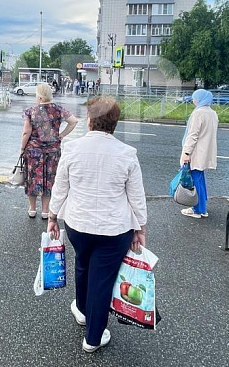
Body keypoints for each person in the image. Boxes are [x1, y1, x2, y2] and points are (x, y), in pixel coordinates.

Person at [47, 96, 147, 353]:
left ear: (90, 120)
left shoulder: (72, 148)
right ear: (115, 123)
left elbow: (60, 187)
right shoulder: (127, 154)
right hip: (114, 230)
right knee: (102, 278)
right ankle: (93, 337)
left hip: (78, 225)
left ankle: (82, 310)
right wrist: (140, 228)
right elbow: (136, 196)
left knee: (83, 263)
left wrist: (52, 216)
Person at [20, 83, 78, 219]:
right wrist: (62, 135)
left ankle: (32, 209)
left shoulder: (31, 111)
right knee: (49, 180)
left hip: (33, 151)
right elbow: (74, 121)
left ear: (39, 96)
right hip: (52, 151)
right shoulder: (58, 109)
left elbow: (26, 132)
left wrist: (22, 148)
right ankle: (45, 211)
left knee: (32, 179)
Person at [179, 88, 219, 218]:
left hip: (196, 152)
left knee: (195, 180)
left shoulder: (198, 113)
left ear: (200, 99)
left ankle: (197, 210)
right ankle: (202, 207)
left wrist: (186, 153)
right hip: (206, 151)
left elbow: (193, 135)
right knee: (200, 179)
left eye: (195, 99)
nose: (194, 101)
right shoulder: (213, 113)